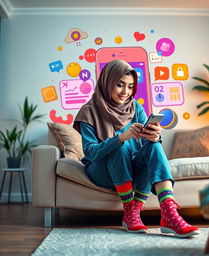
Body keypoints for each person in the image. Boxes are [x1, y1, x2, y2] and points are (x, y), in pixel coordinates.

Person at [74, 59, 199, 238]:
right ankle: (130, 211)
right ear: (107, 82)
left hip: (132, 168)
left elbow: (147, 144)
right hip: (102, 171)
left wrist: (155, 135)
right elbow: (91, 153)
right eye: (119, 85)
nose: (126, 92)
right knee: (118, 147)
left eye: (130, 86)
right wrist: (120, 138)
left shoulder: (135, 107)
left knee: (154, 146)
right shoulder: (88, 111)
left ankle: (169, 213)